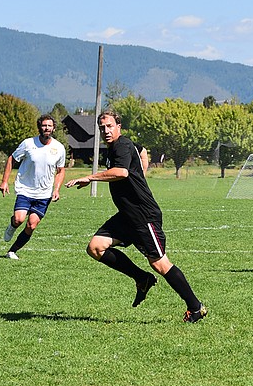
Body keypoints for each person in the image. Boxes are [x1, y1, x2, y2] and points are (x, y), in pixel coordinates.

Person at [66, 110, 207, 322]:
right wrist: (142, 173)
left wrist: (90, 177)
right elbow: (142, 151)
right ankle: (141, 279)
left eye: (109, 126)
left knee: (159, 263)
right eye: (102, 127)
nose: (106, 130)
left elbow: (121, 172)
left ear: (118, 126)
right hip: (126, 216)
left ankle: (196, 307)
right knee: (95, 247)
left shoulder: (122, 145)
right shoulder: (117, 147)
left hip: (143, 215)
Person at [0, 114, 66, 260]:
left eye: (49, 125)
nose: (46, 128)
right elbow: (12, 158)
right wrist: (4, 181)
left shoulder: (59, 148)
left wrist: (57, 189)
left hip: (44, 193)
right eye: (44, 125)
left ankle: (12, 251)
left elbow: (61, 171)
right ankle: (12, 226)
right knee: (19, 219)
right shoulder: (28, 143)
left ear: (54, 128)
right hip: (25, 189)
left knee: (32, 225)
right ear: (39, 127)